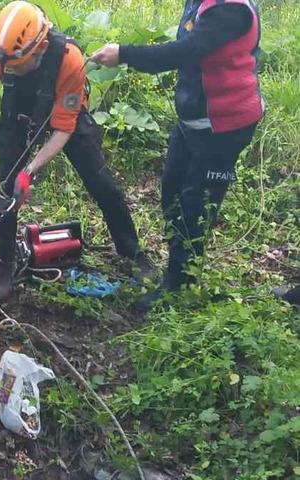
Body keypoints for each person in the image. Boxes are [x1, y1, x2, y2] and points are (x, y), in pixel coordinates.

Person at [0, 1, 152, 298]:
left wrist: (31, 170)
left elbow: (64, 128)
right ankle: (7, 262)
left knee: (103, 185)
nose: (10, 69)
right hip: (21, 112)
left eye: (17, 65)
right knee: (6, 187)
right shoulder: (2, 51)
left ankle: (132, 253)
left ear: (38, 48)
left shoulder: (69, 60)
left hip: (67, 116)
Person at [92, 0, 262, 309]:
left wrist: (125, 54)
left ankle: (178, 286)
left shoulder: (231, 9)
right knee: (171, 190)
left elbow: (186, 50)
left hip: (224, 125)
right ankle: (178, 262)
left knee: (195, 205)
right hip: (192, 122)